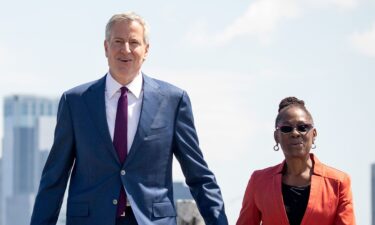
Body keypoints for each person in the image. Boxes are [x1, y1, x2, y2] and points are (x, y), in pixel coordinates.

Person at [30, 12, 228, 225]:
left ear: (146, 50)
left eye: (134, 42)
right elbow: (54, 178)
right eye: (118, 42)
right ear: (106, 47)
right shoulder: (75, 102)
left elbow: (199, 175)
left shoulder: (173, 101)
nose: (126, 49)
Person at [236, 97, 356, 225]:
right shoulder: (259, 181)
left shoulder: (338, 182)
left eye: (303, 127)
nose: (295, 133)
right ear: (277, 136)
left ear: (314, 134)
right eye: (286, 128)